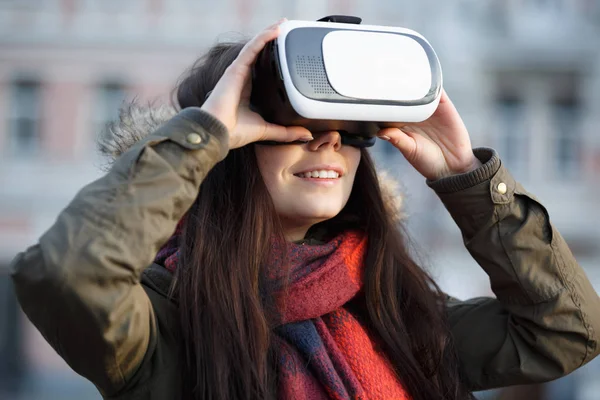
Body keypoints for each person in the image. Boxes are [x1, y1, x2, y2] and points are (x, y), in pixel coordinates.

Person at [10, 20, 600, 400]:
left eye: (347, 128)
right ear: (232, 147)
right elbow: (65, 275)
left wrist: (466, 176)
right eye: (291, 123)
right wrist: (202, 135)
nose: (327, 142)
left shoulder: (403, 315)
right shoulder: (163, 324)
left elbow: (567, 330)